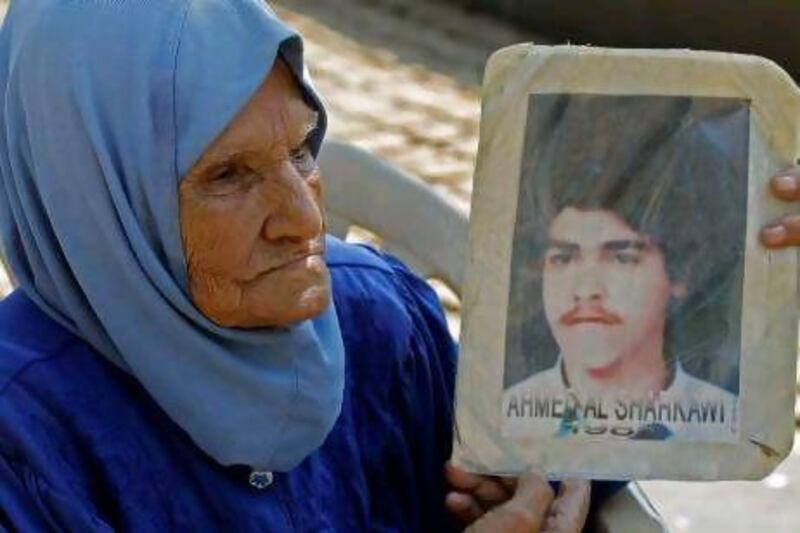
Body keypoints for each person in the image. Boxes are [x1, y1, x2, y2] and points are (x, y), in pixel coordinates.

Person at [0, 1, 594, 531]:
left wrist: (543, 478)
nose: (303, 218)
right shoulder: (24, 445)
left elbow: (583, 432)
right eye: (228, 176)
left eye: (302, 150)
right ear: (94, 198)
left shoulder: (379, 324)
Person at [503, 95, 746, 441]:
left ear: (681, 273)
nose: (586, 289)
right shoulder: (503, 427)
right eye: (564, 257)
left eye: (622, 258)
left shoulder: (731, 429)